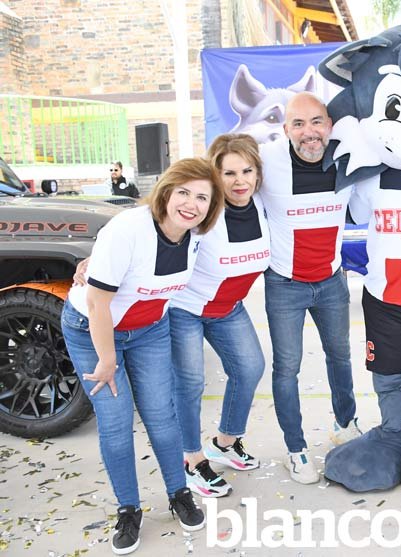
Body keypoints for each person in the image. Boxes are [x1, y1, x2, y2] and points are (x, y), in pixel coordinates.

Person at [61, 158, 224, 554]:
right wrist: (106, 361)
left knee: (161, 416)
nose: (191, 204)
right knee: (116, 423)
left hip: (150, 329)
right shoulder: (129, 228)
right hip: (94, 331)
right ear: (166, 192)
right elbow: (98, 304)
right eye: (183, 192)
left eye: (202, 197)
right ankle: (129, 509)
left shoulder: (199, 235)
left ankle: (179, 492)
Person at [258, 92, 361, 484]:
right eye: (298, 124)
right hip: (285, 283)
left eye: (317, 121)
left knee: (340, 357)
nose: (309, 132)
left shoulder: (346, 157)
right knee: (287, 368)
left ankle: (346, 425)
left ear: (329, 125)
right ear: (285, 130)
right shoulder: (265, 161)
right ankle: (295, 448)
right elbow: (211, 189)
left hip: (331, 280)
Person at [168, 134, 270, 498]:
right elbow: (149, 222)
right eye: (229, 173)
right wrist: (95, 258)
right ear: (216, 175)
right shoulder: (202, 211)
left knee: (250, 368)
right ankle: (191, 460)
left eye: (247, 171)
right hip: (185, 309)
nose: (240, 181)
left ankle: (224, 444)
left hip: (228, 309)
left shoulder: (264, 204)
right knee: (191, 383)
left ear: (258, 173)